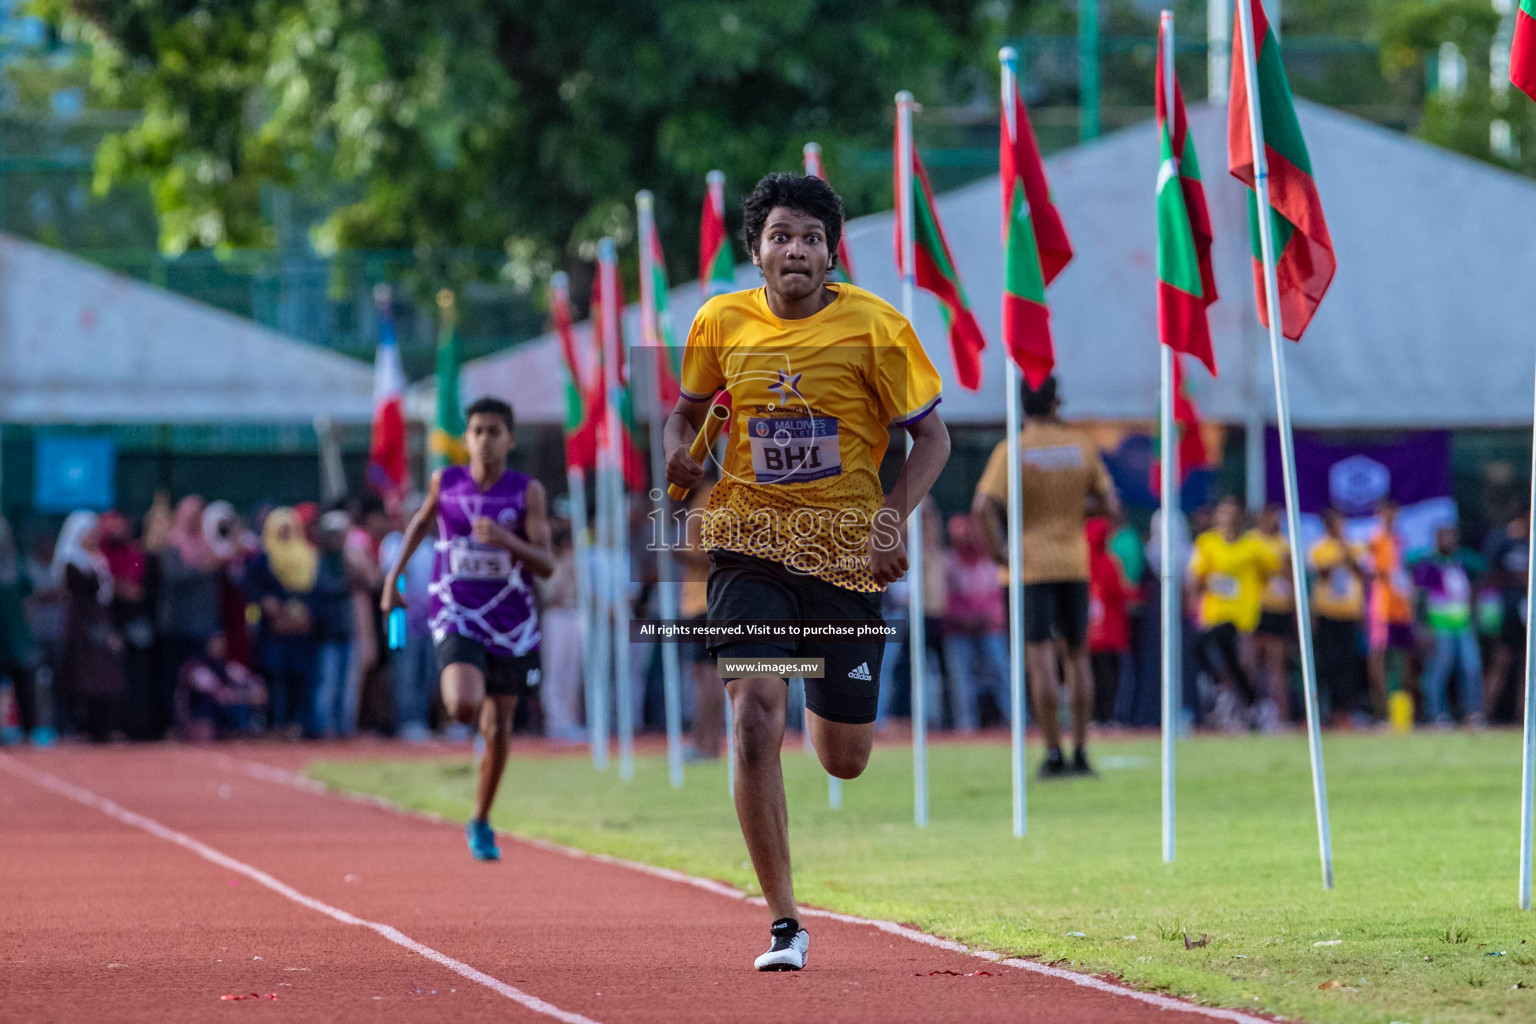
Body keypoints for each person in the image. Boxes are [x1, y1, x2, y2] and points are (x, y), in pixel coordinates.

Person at [664, 173, 948, 971]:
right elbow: (686, 413)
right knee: (755, 714)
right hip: (747, 552)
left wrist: (891, 519)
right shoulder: (720, 320)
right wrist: (672, 449)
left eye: (812, 238)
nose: (796, 249)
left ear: (832, 254)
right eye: (782, 235)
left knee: (843, 758)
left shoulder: (876, 328)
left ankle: (832, 733)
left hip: (845, 562)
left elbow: (934, 440)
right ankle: (786, 922)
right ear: (756, 251)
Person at [383, 396, 554, 861]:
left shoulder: (525, 492)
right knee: (462, 706)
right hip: (456, 610)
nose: (484, 439)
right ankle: (470, 699)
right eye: (477, 430)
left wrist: (505, 539)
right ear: (465, 439)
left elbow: (547, 565)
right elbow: (420, 523)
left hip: (511, 622)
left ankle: (479, 818)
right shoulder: (447, 482)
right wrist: (392, 580)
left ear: (510, 439)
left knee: (498, 729)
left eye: (494, 431)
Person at [973, 375, 1118, 778]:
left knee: (1038, 660)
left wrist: (1001, 553)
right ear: (1057, 403)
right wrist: (1075, 513)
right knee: (1077, 656)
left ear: (1022, 407)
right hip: (1073, 563)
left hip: (1027, 568)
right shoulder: (1081, 446)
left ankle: (1053, 752)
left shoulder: (1013, 450)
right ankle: (1082, 751)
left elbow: (982, 506)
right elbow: (1112, 506)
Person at [1187, 496, 1276, 731]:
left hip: (1243, 618)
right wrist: (1197, 594)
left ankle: (1252, 706)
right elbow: (1197, 578)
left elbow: (1272, 571)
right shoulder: (1207, 543)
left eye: (1234, 513)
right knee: (1203, 649)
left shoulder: (1254, 546)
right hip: (1215, 615)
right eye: (1225, 513)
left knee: (1242, 665)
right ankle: (1224, 694)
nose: (1229, 518)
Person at [244, 507, 317, 735]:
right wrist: (267, 602)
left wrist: (307, 609)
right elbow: (250, 585)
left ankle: (298, 724)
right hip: (273, 628)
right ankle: (276, 723)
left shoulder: (307, 554)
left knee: (299, 676)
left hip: (299, 627)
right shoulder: (263, 557)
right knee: (275, 675)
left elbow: (316, 588)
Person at [53, 512, 125, 742]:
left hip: (100, 621)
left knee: (102, 676)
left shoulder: (99, 559)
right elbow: (85, 588)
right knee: (79, 676)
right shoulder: (71, 560)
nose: (93, 537)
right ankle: (73, 727)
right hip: (80, 625)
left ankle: (99, 728)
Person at [158, 496, 227, 724]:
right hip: (178, 625)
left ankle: (202, 722)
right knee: (177, 679)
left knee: (205, 678)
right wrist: (204, 568)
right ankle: (174, 723)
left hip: (204, 624)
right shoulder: (173, 546)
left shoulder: (207, 544)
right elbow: (175, 577)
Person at [942, 512, 1010, 733]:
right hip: (958, 629)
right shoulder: (949, 561)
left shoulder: (990, 559)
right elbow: (945, 598)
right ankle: (966, 729)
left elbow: (996, 596)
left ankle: (1017, 721)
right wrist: (965, 618)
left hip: (990, 627)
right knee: (962, 682)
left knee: (1003, 674)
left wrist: (985, 617)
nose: (966, 536)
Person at [1413, 523, 1486, 728]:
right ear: (1436, 539)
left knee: (1471, 669)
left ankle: (1473, 713)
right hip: (1439, 627)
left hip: (1463, 626)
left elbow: (1478, 579)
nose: (1447, 540)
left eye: (1451, 536)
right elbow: (1419, 599)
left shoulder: (1461, 561)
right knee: (1438, 671)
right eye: (1443, 536)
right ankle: (1437, 714)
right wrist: (1423, 628)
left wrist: (1474, 616)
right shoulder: (1428, 565)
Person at [380, 493, 440, 741]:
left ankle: (423, 720)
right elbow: (393, 573)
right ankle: (407, 720)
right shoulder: (394, 542)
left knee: (428, 673)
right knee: (404, 671)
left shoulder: (433, 544)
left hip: (429, 622)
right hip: (400, 621)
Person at [1308, 508, 1368, 723]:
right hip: (1326, 613)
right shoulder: (1319, 548)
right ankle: (1324, 710)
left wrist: (1343, 547)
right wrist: (1339, 557)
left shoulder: (1354, 546)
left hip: (1348, 613)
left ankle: (1344, 710)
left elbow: (1360, 571)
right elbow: (1322, 572)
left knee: (1347, 664)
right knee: (1326, 663)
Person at [1366, 499, 1418, 720]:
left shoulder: (1400, 540)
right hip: (1383, 608)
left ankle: (1402, 711)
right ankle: (1381, 711)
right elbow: (1371, 573)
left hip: (1402, 608)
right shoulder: (1375, 541)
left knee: (1405, 660)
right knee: (1380, 659)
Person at [310, 510, 359, 738]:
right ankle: (326, 728)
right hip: (326, 632)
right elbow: (326, 588)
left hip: (345, 630)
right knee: (327, 685)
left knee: (346, 686)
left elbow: (370, 578)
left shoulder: (346, 560)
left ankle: (345, 728)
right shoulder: (319, 561)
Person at [1482, 509, 1529, 722]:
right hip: (1506, 611)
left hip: (1527, 610)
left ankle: (1522, 718)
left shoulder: (1532, 540)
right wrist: (1516, 578)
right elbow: (1489, 575)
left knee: (1528, 666)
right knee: (1501, 662)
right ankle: (1484, 715)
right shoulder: (1502, 541)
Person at [176, 632, 267, 741]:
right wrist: (245, 696)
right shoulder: (195, 669)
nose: (220, 647)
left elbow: (256, 686)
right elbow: (220, 694)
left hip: (220, 717)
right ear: (206, 644)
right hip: (197, 718)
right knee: (207, 724)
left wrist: (254, 690)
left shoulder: (226, 667)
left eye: (222, 644)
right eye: (216, 643)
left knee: (242, 713)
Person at [1085, 516, 1130, 725]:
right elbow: (1117, 592)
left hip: (1088, 632)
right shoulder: (1110, 563)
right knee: (1109, 676)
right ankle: (1108, 715)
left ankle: (1093, 716)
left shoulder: (1081, 564)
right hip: (1109, 632)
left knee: (1090, 674)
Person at [0, 516, 39, 744]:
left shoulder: (17, 566)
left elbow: (28, 601)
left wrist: (26, 630)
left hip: (16, 637)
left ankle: (29, 730)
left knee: (23, 682)